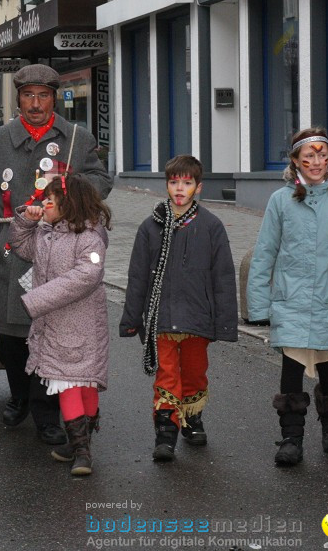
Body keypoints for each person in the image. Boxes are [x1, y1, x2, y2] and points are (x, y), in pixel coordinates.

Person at [0, 63, 112, 446]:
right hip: (11, 246)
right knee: (9, 335)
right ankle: (19, 395)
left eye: (43, 96)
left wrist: (71, 192)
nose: (36, 104)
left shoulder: (76, 138)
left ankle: (46, 415)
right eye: (29, 96)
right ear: (18, 99)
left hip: (60, 246)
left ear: (54, 98)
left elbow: (101, 180)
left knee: (49, 330)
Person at [246, 127, 328, 467]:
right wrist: (258, 305)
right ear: (296, 160)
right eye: (308, 156)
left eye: (322, 155)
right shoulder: (280, 200)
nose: (316, 162)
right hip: (291, 300)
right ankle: (291, 438)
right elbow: (264, 254)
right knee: (291, 368)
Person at [119, 155, 237, 462]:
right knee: (166, 376)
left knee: (195, 374)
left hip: (198, 319)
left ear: (198, 187)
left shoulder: (211, 226)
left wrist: (225, 322)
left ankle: (193, 417)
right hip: (162, 318)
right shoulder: (150, 227)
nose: (179, 189)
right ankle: (166, 432)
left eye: (186, 183)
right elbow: (137, 276)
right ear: (166, 185)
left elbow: (223, 276)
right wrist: (132, 317)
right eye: (174, 182)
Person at [8, 174, 111, 476]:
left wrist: (38, 299)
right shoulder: (45, 233)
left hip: (81, 325)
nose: (44, 204)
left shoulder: (90, 237)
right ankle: (79, 444)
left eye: (50, 200)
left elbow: (85, 276)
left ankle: (81, 449)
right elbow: (20, 247)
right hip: (54, 325)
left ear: (70, 204)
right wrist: (27, 221)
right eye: (43, 199)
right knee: (72, 382)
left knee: (78, 383)